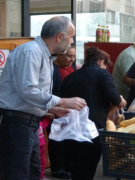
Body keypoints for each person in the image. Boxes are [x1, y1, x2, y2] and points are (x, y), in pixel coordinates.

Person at [0, 16, 87, 180]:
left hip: (28, 123)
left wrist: (53, 108)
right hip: (16, 124)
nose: (72, 42)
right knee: (16, 174)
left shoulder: (45, 56)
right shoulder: (31, 52)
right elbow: (27, 90)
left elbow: (29, 95)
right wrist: (61, 101)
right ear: (59, 37)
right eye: (71, 37)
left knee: (33, 173)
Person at [60, 47, 126, 180]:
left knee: (76, 168)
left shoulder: (70, 77)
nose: (106, 68)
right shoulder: (102, 74)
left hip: (70, 128)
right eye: (106, 65)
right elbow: (115, 99)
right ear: (101, 61)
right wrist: (121, 100)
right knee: (88, 168)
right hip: (93, 129)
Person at [49, 45, 77, 179]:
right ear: (59, 55)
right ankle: (57, 168)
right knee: (57, 140)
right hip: (56, 109)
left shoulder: (72, 69)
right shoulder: (52, 70)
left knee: (67, 139)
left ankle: (67, 166)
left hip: (69, 110)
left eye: (73, 56)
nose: (71, 59)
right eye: (68, 56)